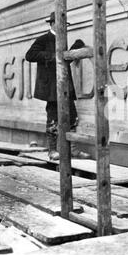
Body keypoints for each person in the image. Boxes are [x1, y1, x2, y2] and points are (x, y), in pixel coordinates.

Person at [26, 12, 90, 161]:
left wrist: (75, 48)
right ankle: (53, 150)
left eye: (65, 24)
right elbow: (29, 55)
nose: (64, 27)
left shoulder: (63, 39)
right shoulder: (43, 39)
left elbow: (64, 60)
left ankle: (73, 149)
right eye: (62, 24)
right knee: (53, 118)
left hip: (65, 85)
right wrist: (51, 56)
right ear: (53, 24)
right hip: (51, 88)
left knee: (73, 117)